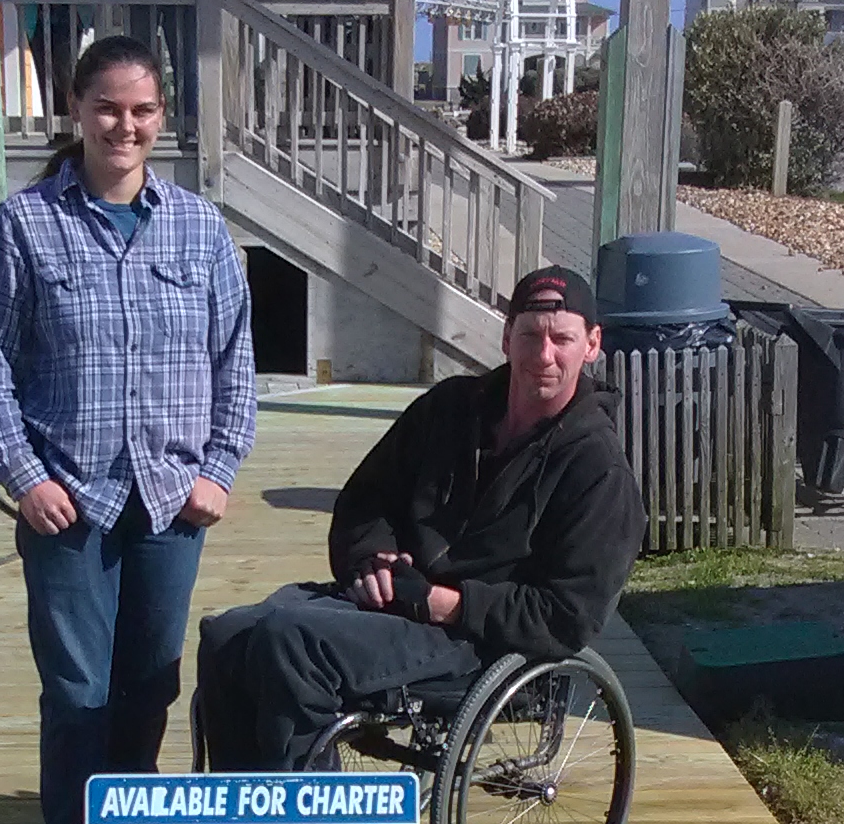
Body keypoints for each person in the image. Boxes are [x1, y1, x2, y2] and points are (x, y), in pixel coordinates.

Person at [0, 34, 256, 824]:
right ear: (76, 112)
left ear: (161, 119)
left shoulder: (201, 227)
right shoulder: (24, 224)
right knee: (76, 691)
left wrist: (218, 468)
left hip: (172, 499)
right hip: (68, 502)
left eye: (140, 111)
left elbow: (236, 364)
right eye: (106, 108)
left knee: (148, 686)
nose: (122, 126)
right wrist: (22, 477)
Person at [195, 265, 645, 772]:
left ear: (591, 344)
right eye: (530, 336)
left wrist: (445, 603)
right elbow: (365, 499)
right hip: (396, 605)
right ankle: (240, 822)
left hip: (481, 642)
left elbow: (566, 617)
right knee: (228, 635)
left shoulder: (598, 469)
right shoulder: (451, 408)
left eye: (561, 339)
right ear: (506, 337)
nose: (544, 355)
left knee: (291, 644)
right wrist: (371, 558)